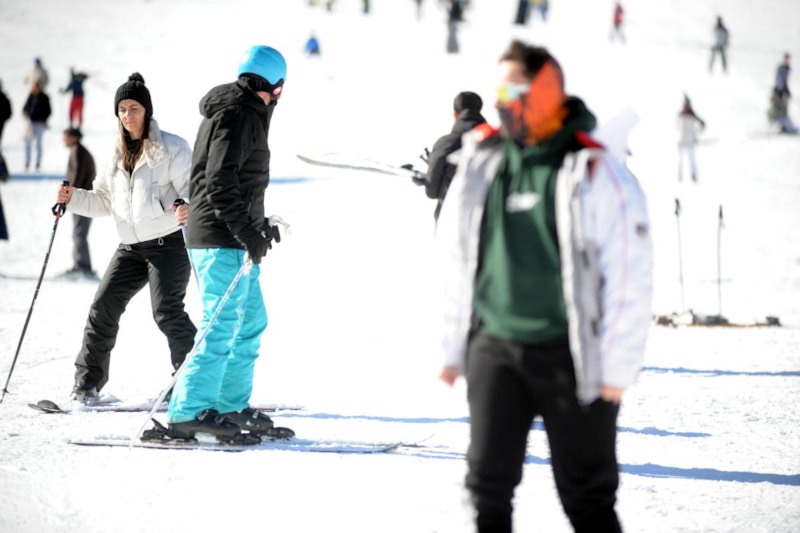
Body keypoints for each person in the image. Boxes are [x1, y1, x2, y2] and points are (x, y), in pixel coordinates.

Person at [436, 40, 653, 532]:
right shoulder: (484, 160)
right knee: (486, 490)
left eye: (513, 91)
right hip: (495, 348)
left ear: (547, 90)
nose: (502, 103)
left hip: (571, 356)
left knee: (587, 498)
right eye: (498, 92)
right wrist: (453, 347)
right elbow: (456, 256)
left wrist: (618, 367)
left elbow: (629, 275)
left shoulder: (593, 168)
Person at [166, 45, 291, 442]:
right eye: (280, 89)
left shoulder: (245, 112)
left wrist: (258, 225)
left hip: (232, 235)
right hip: (218, 237)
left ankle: (228, 404)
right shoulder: (237, 114)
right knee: (220, 324)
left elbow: (238, 180)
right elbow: (219, 183)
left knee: (250, 321)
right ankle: (188, 412)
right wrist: (245, 231)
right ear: (273, 85)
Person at [55, 72, 197, 403]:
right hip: (131, 248)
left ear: (147, 111)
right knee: (102, 307)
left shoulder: (172, 148)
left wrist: (187, 205)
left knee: (167, 311)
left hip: (169, 244)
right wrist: (72, 198)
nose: (128, 115)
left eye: (134, 108)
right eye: (122, 109)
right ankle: (86, 385)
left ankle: (192, 381)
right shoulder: (114, 155)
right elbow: (104, 201)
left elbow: (194, 188)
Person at [423, 91, 486, 220]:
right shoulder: (496, 143)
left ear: (455, 114)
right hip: (489, 221)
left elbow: (432, 191)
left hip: (452, 223)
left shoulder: (445, 144)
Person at [61, 127, 97, 278]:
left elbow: (78, 174)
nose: (63, 140)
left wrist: (69, 195)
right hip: (81, 198)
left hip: (82, 199)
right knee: (78, 232)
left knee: (79, 233)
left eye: (66, 137)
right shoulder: (77, 150)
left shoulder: (78, 151)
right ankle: (80, 265)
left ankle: (83, 267)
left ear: (74, 137)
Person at [22, 81, 51, 172]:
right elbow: (25, 108)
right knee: (27, 143)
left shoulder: (44, 97)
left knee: (38, 144)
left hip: (40, 124)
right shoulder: (31, 96)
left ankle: (38, 163)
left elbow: (49, 111)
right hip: (31, 123)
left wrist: (43, 119)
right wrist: (26, 114)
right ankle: (27, 162)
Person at [677, 94, 705, 182]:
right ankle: (693, 176)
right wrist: (697, 133)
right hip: (689, 142)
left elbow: (677, 127)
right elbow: (703, 124)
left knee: (681, 161)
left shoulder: (680, 115)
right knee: (692, 160)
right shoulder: (692, 115)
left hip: (682, 141)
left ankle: (680, 176)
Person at [768, 53, 797, 133]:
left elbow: (785, 81)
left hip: (782, 92)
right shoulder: (782, 68)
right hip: (778, 92)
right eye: (786, 59)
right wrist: (781, 90)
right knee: (778, 110)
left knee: (783, 110)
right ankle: (778, 126)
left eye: (788, 59)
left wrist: (787, 90)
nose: (787, 60)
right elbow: (779, 80)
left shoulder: (787, 68)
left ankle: (784, 126)